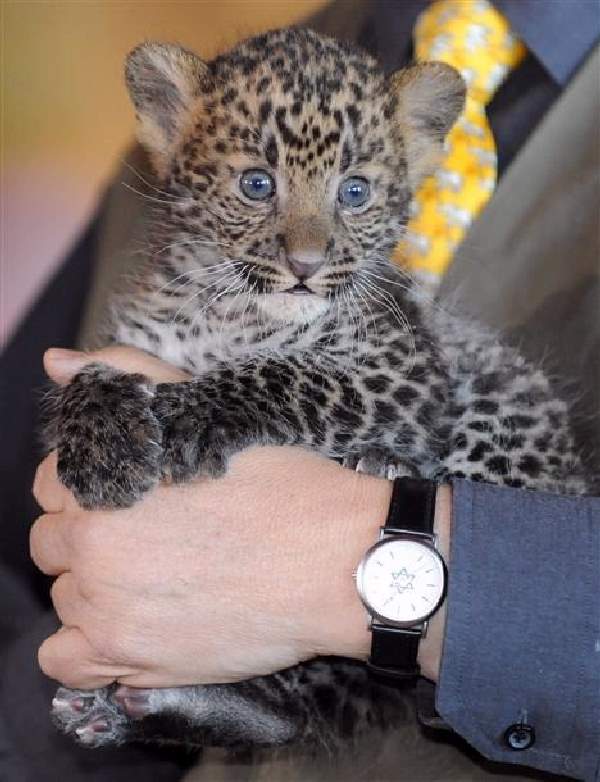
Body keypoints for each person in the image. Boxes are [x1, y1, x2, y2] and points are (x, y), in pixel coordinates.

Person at [1, 1, 598, 780]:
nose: (307, 250)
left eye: (352, 193)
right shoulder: (215, 111)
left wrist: (379, 565)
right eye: (256, 184)